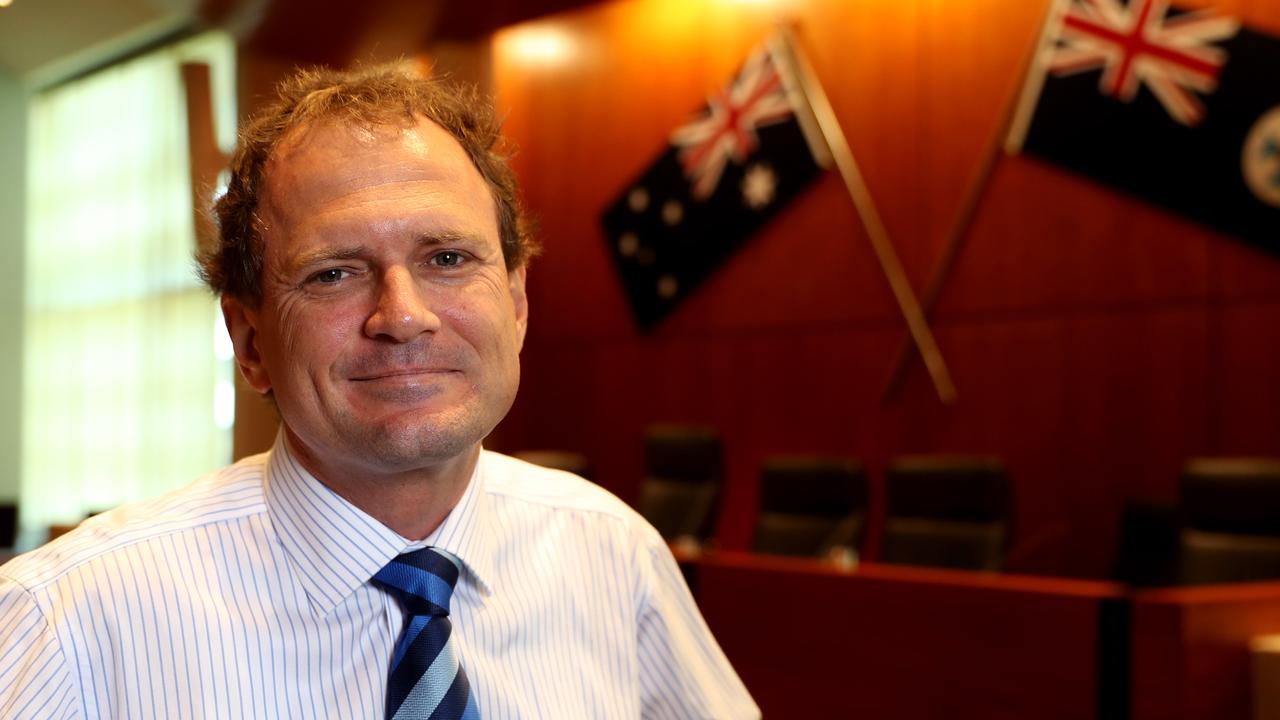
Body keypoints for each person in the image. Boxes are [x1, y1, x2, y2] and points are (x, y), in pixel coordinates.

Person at [0, 63, 758, 719]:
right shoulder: (62, 621)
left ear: (519, 304)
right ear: (250, 342)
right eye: (333, 273)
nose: (402, 317)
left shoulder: (616, 555)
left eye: (449, 258)